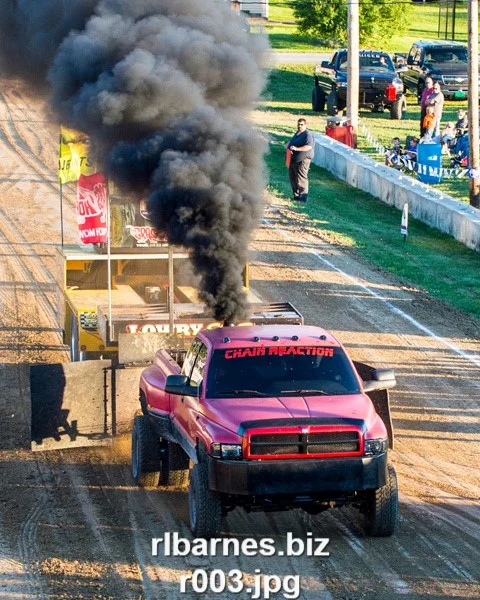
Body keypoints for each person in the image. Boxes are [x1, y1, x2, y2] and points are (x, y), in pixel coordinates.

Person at [285, 118, 314, 202]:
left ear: (305, 125)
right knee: (293, 177)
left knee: (301, 178)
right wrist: (288, 146)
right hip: (293, 160)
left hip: (302, 160)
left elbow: (308, 147)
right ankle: (296, 196)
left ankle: (303, 197)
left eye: (302, 124)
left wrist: (296, 149)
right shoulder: (297, 133)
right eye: (298, 124)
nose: (300, 126)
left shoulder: (307, 134)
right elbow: (291, 142)